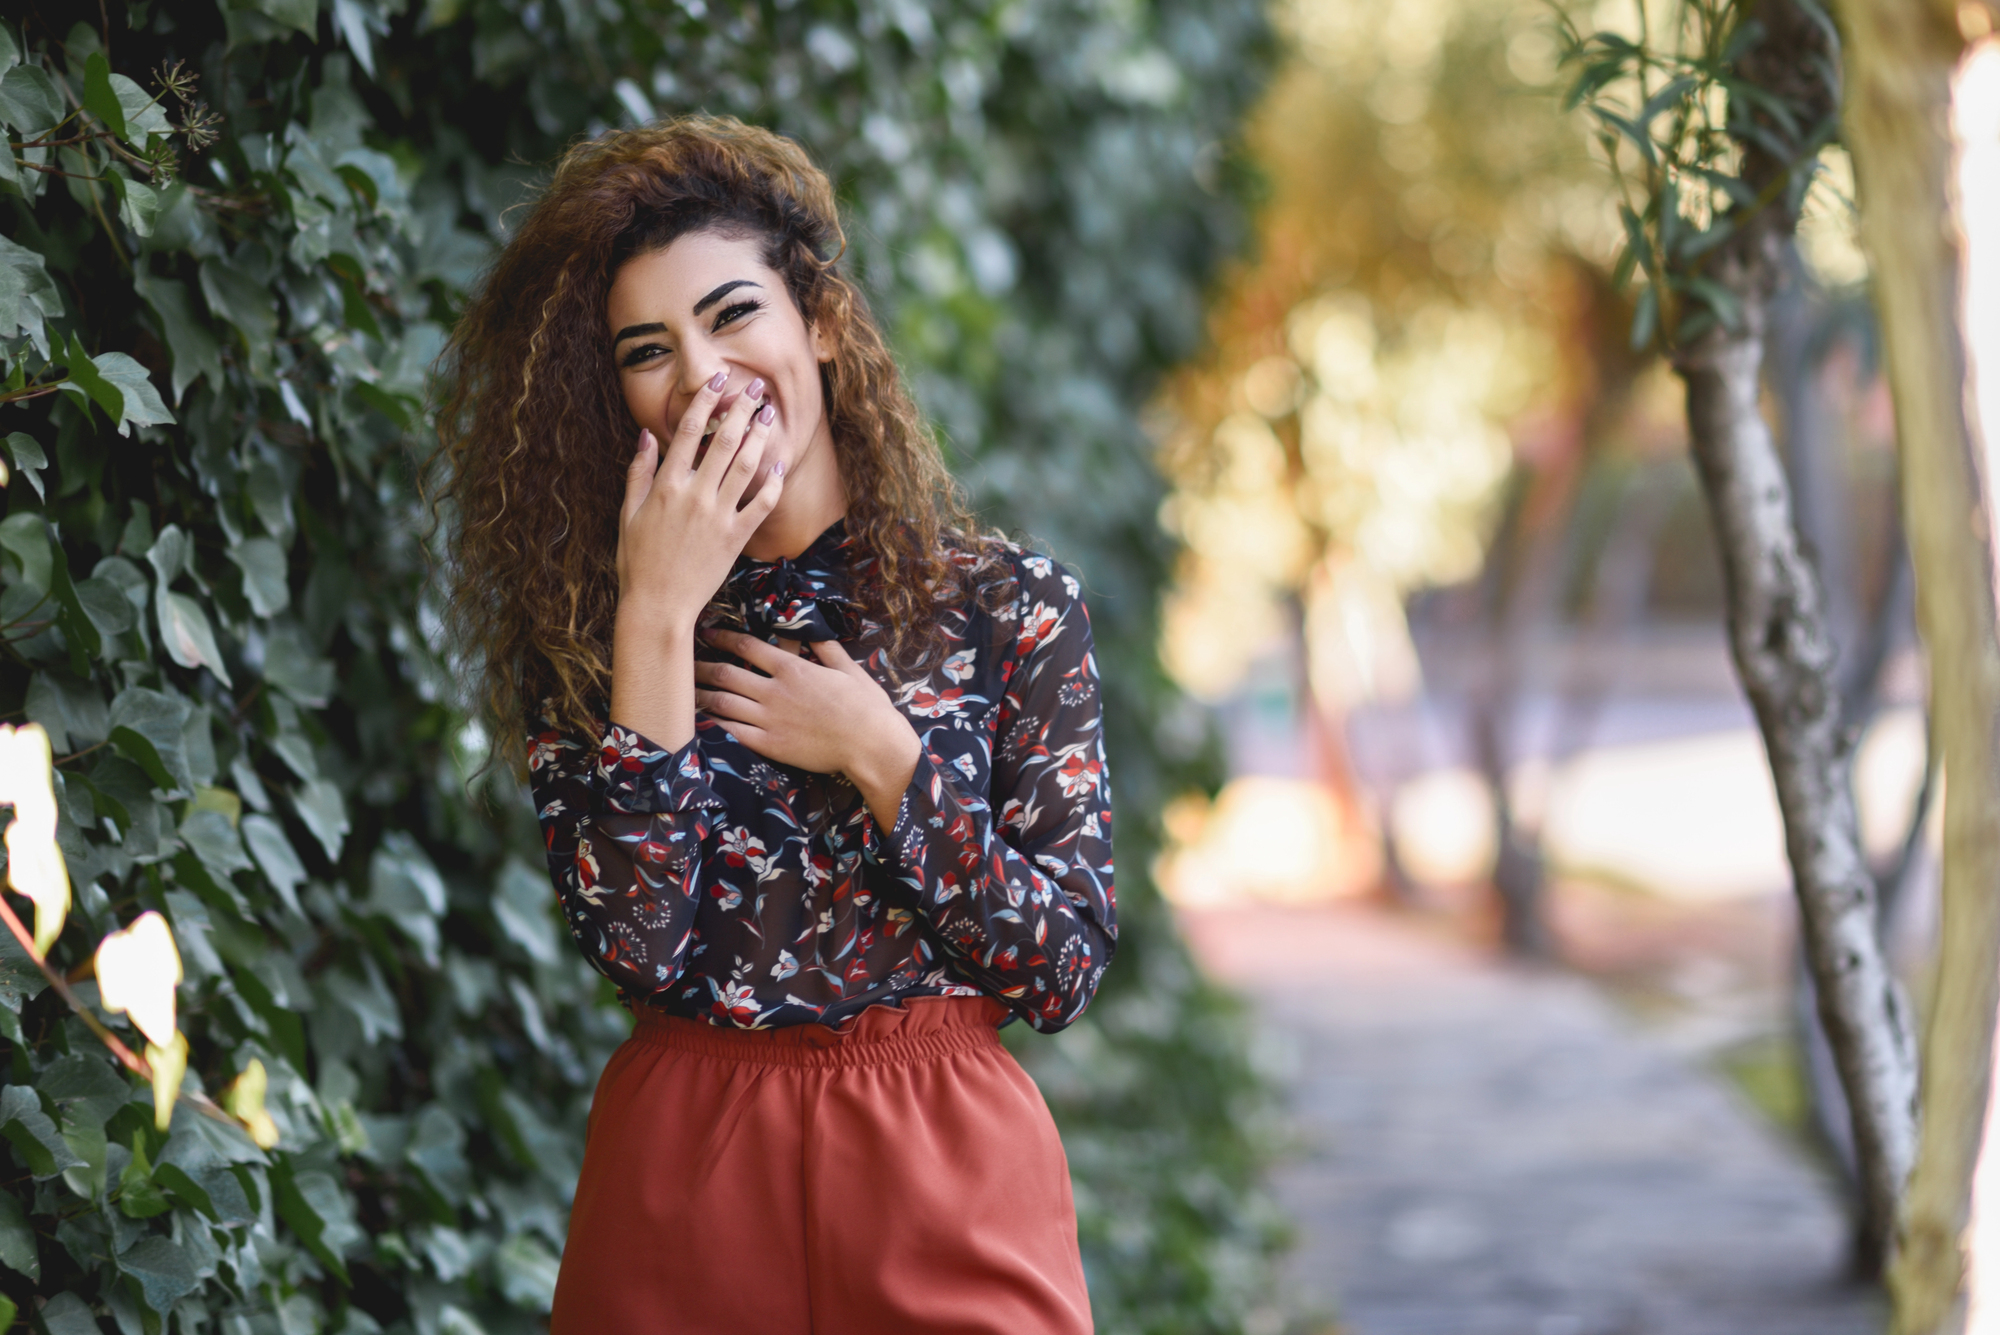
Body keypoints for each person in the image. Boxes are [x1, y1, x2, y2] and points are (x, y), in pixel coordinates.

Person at [433, 115, 1113, 1334]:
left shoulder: (1010, 609)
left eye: (732, 313)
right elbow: (637, 946)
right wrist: (654, 610)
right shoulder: (597, 631)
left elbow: (1061, 966)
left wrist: (879, 751)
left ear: (824, 324)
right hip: (687, 1161)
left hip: (945, 1154)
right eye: (649, 349)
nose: (699, 371)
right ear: (620, 399)